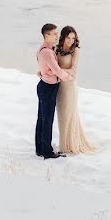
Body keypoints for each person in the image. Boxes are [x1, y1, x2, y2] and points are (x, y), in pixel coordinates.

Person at [35, 23, 74, 159]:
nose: (57, 36)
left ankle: (40, 148)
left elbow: (46, 68)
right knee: (47, 120)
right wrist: (69, 77)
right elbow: (57, 70)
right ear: (47, 35)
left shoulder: (44, 49)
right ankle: (47, 151)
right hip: (48, 88)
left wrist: (45, 72)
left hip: (43, 85)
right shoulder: (47, 52)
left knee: (42, 119)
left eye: (57, 33)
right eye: (54, 34)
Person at [55, 26, 96, 155]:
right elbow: (52, 65)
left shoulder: (75, 51)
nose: (71, 41)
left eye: (73, 38)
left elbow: (74, 71)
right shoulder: (57, 49)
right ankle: (63, 143)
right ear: (63, 37)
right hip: (58, 86)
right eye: (68, 38)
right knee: (61, 116)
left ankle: (66, 147)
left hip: (69, 88)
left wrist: (58, 71)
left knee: (69, 115)